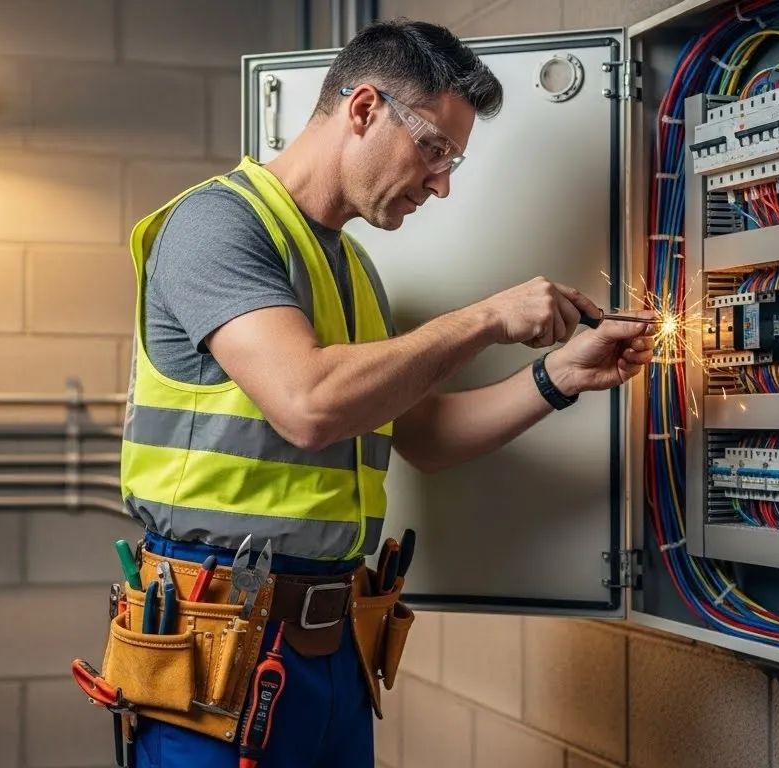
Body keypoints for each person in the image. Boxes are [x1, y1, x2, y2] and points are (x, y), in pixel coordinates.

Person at [113, 18, 654, 768]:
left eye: (452, 159)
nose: (442, 182)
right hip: (214, 650)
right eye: (433, 149)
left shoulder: (355, 269)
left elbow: (421, 437)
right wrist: (488, 317)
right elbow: (308, 405)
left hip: (331, 643)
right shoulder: (215, 224)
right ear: (362, 109)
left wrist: (559, 376)